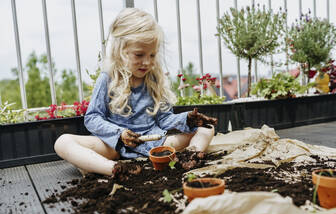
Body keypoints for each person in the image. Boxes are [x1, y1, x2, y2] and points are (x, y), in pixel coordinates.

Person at [54, 8, 217, 176]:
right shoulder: (108, 78)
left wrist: (188, 119)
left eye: (152, 55)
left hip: (154, 143)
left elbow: (164, 119)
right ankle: (116, 169)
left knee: (207, 128)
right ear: (120, 51)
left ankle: (189, 156)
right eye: (139, 55)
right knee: (63, 142)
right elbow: (93, 117)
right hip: (115, 147)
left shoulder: (154, 79)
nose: (146, 62)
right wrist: (120, 134)